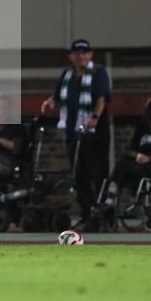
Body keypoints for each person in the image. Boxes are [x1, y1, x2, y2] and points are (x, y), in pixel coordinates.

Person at [40, 39, 111, 230]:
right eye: (76, 53)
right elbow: (57, 96)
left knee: (98, 174)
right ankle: (87, 213)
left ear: (90, 54)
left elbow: (102, 97)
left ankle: (102, 213)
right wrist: (50, 102)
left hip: (95, 133)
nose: (80, 56)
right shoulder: (67, 75)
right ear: (71, 56)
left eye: (84, 53)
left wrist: (95, 117)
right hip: (74, 133)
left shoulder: (98, 72)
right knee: (79, 175)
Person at [91, 93, 151, 218]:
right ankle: (108, 201)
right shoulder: (143, 127)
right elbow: (131, 150)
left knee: (138, 170)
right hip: (140, 161)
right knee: (122, 164)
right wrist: (138, 155)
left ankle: (142, 204)